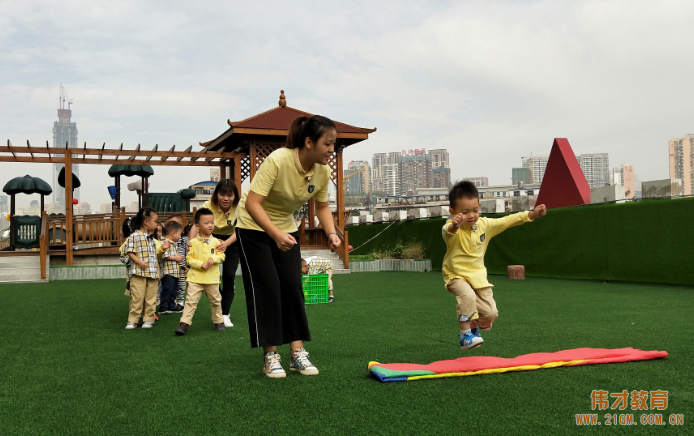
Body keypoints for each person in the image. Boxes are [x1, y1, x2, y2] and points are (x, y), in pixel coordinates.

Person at [236, 114, 341, 378]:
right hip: (253, 226)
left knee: (293, 286)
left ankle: (297, 354)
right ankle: (271, 356)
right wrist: (274, 234)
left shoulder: (322, 171)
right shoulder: (278, 160)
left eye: (334, 144)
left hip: (284, 227)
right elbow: (252, 203)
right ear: (309, 142)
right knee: (268, 287)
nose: (332, 149)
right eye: (328, 144)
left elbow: (323, 206)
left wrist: (331, 233)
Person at [443, 181, 547, 349]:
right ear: (453, 212)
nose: (471, 216)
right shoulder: (451, 228)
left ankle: (475, 325)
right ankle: (465, 336)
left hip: (478, 277)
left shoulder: (485, 225)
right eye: (464, 212)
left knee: (491, 314)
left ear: (479, 206)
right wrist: (455, 224)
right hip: (456, 275)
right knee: (467, 297)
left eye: (475, 210)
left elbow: (507, 220)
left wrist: (532, 215)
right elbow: (449, 231)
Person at [190, 180, 241, 328]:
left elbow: (240, 229)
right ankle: (219, 310)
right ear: (216, 194)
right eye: (222, 194)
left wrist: (226, 244)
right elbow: (197, 225)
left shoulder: (239, 207)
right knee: (211, 277)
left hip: (232, 241)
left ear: (234, 196)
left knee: (229, 276)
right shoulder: (208, 206)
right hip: (211, 240)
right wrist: (192, 244)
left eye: (230, 195)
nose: (226, 198)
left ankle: (225, 314)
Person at [175, 208, 226, 336]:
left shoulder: (217, 242)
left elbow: (222, 256)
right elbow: (189, 259)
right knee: (190, 301)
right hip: (194, 278)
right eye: (206, 222)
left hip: (212, 278)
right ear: (197, 226)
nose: (210, 225)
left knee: (215, 300)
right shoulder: (192, 243)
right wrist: (200, 264)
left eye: (212, 222)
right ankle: (184, 323)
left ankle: (218, 320)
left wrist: (213, 259)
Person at [122, 208, 162, 330]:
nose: (156, 224)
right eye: (155, 221)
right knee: (137, 297)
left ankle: (148, 319)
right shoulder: (134, 236)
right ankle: (133, 319)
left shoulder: (152, 239)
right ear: (146, 222)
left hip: (152, 273)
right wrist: (139, 262)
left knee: (151, 297)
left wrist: (158, 272)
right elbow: (129, 252)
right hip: (138, 273)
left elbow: (154, 257)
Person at [158, 221, 185, 314]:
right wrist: (176, 258)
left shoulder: (173, 244)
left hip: (175, 272)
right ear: (173, 233)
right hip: (168, 272)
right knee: (167, 289)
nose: (180, 236)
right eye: (180, 234)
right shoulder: (165, 243)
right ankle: (163, 307)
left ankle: (171, 306)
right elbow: (163, 255)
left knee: (173, 289)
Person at [166, 214, 189, 308]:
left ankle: (180, 301)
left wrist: (187, 265)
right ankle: (169, 301)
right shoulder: (167, 239)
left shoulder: (184, 239)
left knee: (181, 285)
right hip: (170, 267)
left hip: (181, 267)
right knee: (169, 286)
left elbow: (187, 252)